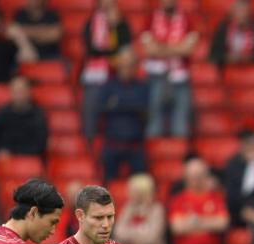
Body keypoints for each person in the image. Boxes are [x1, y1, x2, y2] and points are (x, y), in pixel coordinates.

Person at [167, 158, 230, 244]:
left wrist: (194, 221)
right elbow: (177, 227)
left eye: (200, 175)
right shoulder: (178, 200)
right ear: (186, 177)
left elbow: (222, 223)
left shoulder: (216, 198)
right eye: (193, 176)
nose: (196, 179)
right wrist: (208, 223)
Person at [140, 0, 198, 138]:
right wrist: (177, 48)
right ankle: (155, 155)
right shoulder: (150, 19)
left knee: (181, 119)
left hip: (180, 76)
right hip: (156, 75)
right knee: (154, 117)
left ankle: (179, 153)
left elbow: (188, 50)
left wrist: (161, 48)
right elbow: (149, 50)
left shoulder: (187, 19)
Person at [80, 0, 132, 143]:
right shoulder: (91, 22)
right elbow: (91, 50)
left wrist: (115, 27)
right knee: (90, 104)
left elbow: (125, 46)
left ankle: (116, 140)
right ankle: (89, 142)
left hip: (116, 75)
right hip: (94, 76)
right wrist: (109, 51)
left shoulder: (121, 24)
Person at [98, 48, 149, 181]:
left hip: (135, 145)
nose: (127, 69)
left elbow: (143, 108)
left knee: (141, 184)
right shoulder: (108, 86)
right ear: (118, 65)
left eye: (131, 65)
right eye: (124, 65)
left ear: (136, 66)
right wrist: (131, 106)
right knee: (106, 188)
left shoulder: (142, 86)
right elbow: (102, 108)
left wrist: (117, 105)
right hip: (112, 144)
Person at [0, 75, 48, 158]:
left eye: (21, 90)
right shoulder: (3, 113)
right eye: (15, 91)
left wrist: (15, 154)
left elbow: (40, 144)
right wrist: (0, 150)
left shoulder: (38, 115)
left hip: (30, 160)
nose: (19, 94)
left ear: (29, 91)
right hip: (6, 160)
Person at [207, 0, 254, 68]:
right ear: (232, 13)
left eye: (243, 11)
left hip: (251, 69)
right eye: (238, 11)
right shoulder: (223, 28)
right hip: (227, 69)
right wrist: (226, 58)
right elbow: (213, 55)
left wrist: (251, 58)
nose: (241, 14)